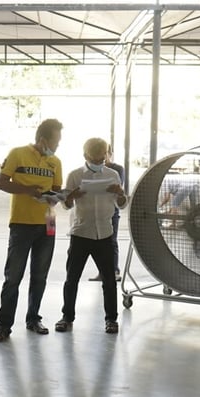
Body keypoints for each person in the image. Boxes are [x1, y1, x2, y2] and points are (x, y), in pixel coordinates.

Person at [0, 118, 64, 343]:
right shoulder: (18, 154)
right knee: (13, 276)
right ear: (43, 140)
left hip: (48, 223)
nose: (57, 146)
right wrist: (28, 190)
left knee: (40, 275)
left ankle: (33, 318)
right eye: (55, 141)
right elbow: (1, 183)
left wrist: (58, 196)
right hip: (21, 223)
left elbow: (57, 190)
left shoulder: (56, 162)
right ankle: (3, 325)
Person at [55, 138, 128, 334]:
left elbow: (121, 204)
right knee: (72, 278)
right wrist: (71, 197)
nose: (98, 161)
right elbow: (65, 205)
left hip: (104, 233)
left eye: (102, 157)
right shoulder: (75, 175)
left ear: (106, 154)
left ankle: (111, 320)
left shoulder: (113, 175)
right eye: (94, 158)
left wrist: (120, 193)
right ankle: (67, 317)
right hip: (81, 232)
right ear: (85, 156)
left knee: (109, 280)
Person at [90, 144, 125, 282]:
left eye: (104, 153)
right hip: (95, 211)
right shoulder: (90, 168)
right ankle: (102, 272)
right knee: (98, 243)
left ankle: (114, 270)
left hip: (112, 211)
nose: (101, 158)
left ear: (109, 153)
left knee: (111, 241)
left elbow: (116, 187)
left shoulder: (117, 169)